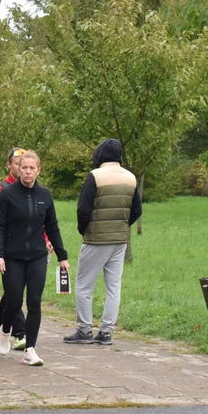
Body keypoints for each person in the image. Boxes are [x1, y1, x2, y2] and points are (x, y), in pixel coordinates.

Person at [0, 150, 69, 366]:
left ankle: (30, 349)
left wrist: (62, 257)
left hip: (36, 255)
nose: (27, 171)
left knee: (34, 302)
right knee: (14, 301)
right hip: (12, 256)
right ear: (18, 169)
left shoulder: (45, 195)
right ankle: (5, 329)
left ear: (38, 170)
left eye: (31, 168)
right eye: (23, 167)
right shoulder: (7, 195)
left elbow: (52, 226)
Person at [64, 138, 143, 346]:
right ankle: (106, 332)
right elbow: (137, 210)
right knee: (113, 287)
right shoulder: (130, 178)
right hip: (119, 241)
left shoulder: (95, 176)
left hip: (96, 240)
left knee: (84, 285)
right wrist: (122, 226)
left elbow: (83, 209)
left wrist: (85, 230)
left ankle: (84, 329)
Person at [0, 147, 29, 349]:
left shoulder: (32, 189)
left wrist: (45, 238)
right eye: (17, 163)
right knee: (15, 291)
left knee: (15, 289)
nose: (22, 168)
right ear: (9, 165)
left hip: (28, 248)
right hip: (7, 250)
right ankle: (21, 333)